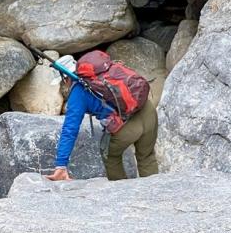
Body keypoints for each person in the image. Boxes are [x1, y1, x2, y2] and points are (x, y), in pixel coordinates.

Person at [47, 50, 159, 182]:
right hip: (147, 109)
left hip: (127, 127)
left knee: (110, 156)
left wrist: (61, 164)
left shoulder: (78, 93)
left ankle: (123, 191)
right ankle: (156, 194)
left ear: (65, 78)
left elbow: (69, 130)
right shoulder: (105, 70)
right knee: (146, 156)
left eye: (62, 81)